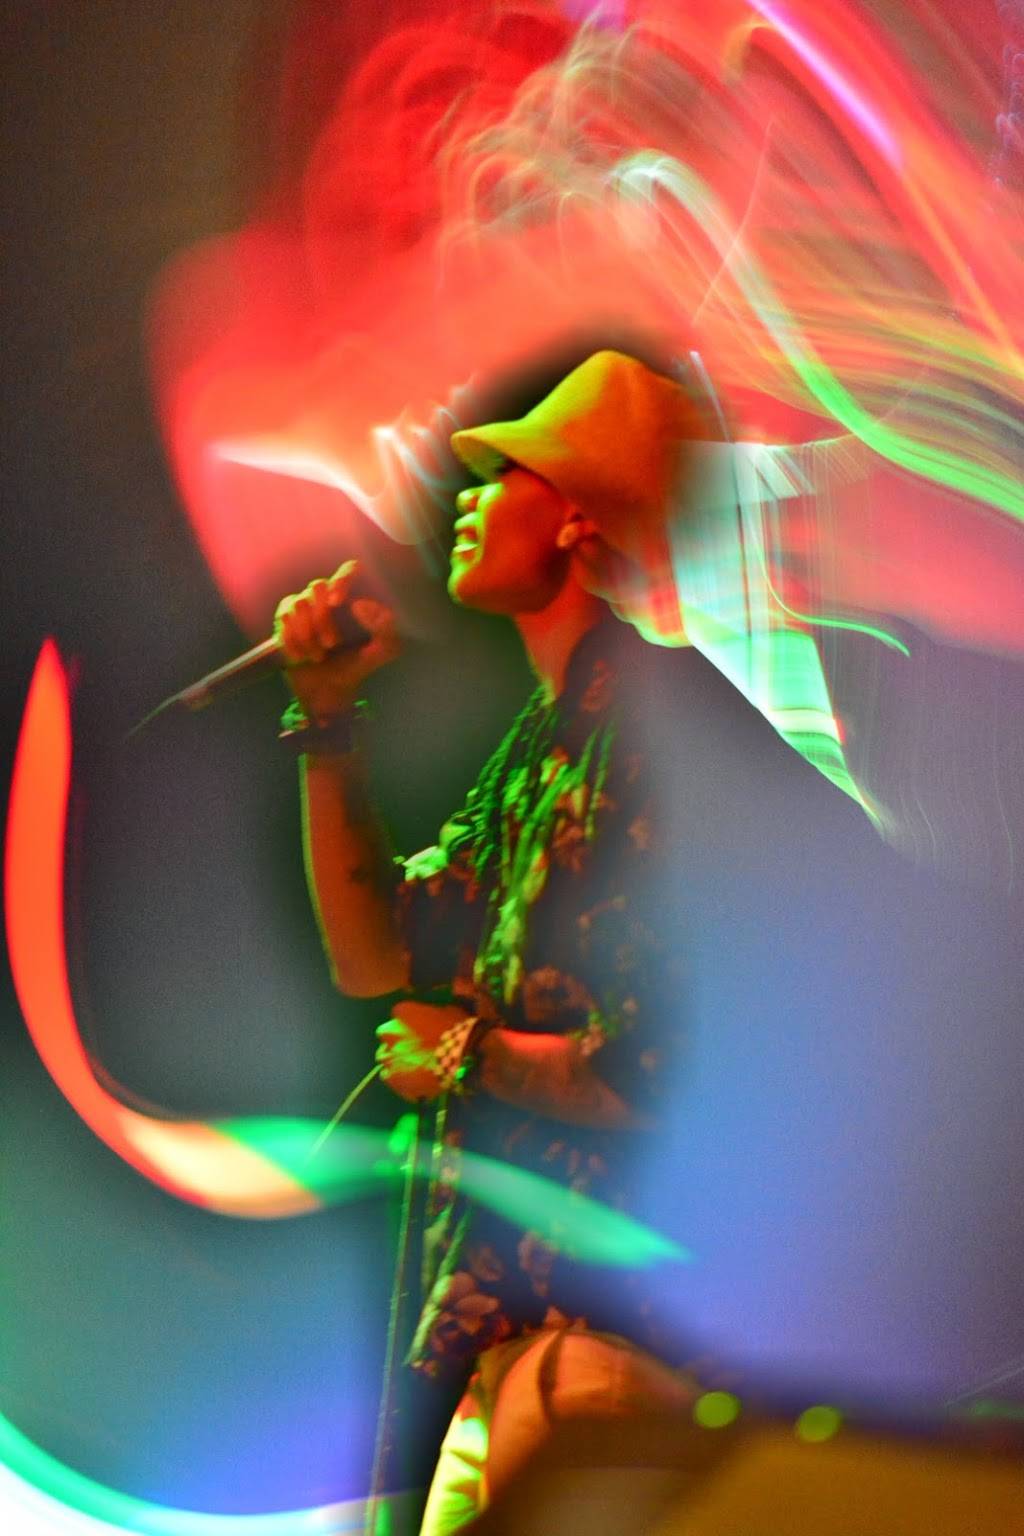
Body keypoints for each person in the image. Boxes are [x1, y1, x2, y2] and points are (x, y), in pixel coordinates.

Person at [274, 352, 705, 1534]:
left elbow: (658, 1073)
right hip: (524, 1343)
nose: (465, 495)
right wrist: (324, 719)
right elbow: (375, 959)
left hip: (606, 1348)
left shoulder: (651, 731)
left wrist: (464, 1055)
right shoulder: (535, 750)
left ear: (575, 516)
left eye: (503, 472)